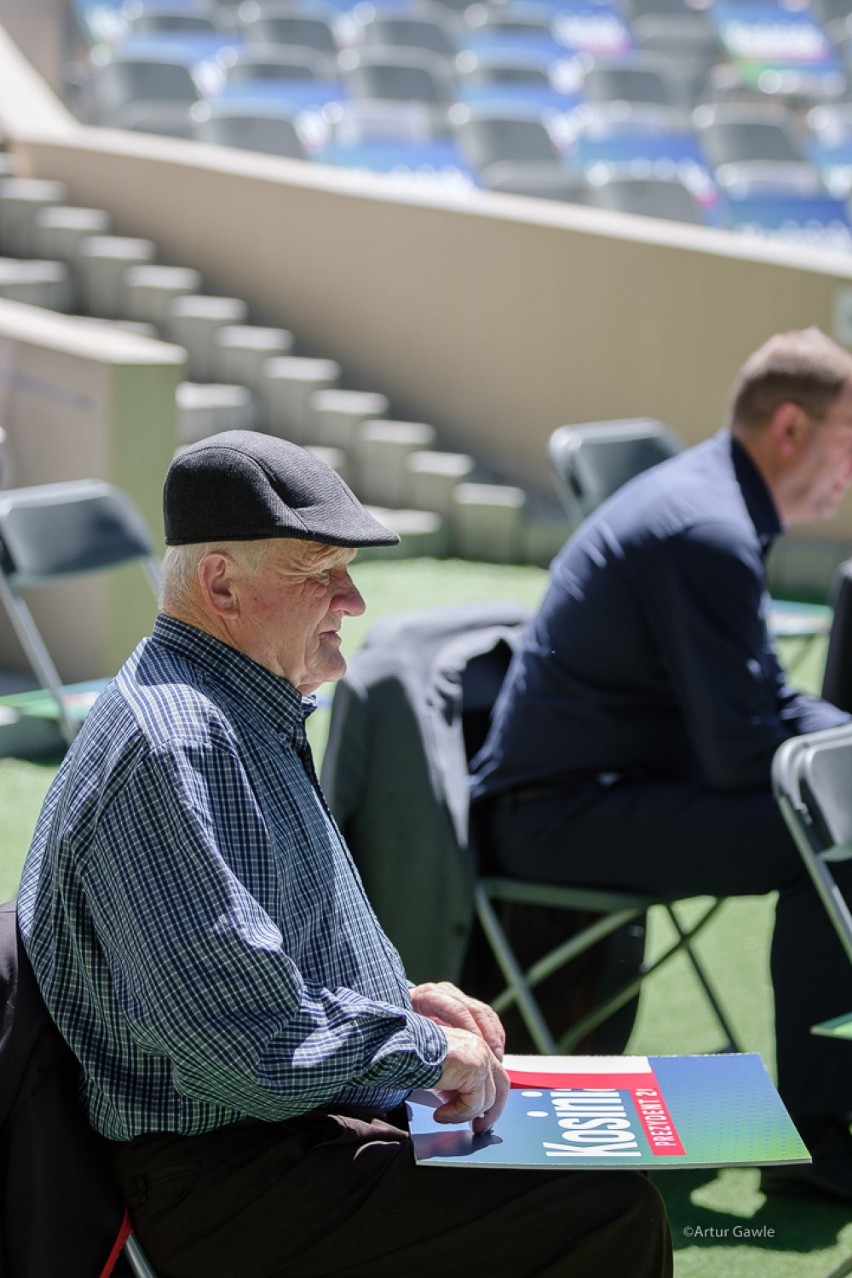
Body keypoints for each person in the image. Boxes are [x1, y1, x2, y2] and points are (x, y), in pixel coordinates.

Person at [17, 431, 671, 1277]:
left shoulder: (234, 709)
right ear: (220, 582)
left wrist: (403, 1004)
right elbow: (242, 1045)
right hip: (227, 1175)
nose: (352, 599)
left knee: (590, 1182)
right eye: (318, 569)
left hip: (274, 1137)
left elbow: (256, 972)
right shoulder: (174, 748)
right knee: (603, 1209)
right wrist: (424, 1049)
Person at [470, 327, 852, 1205]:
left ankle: (821, 1115)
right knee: (826, 835)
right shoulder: (706, 526)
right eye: (849, 440)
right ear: (792, 428)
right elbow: (744, 753)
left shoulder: (713, 499)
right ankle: (819, 1135)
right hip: (557, 820)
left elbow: (758, 708)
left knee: (832, 811)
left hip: (600, 793)